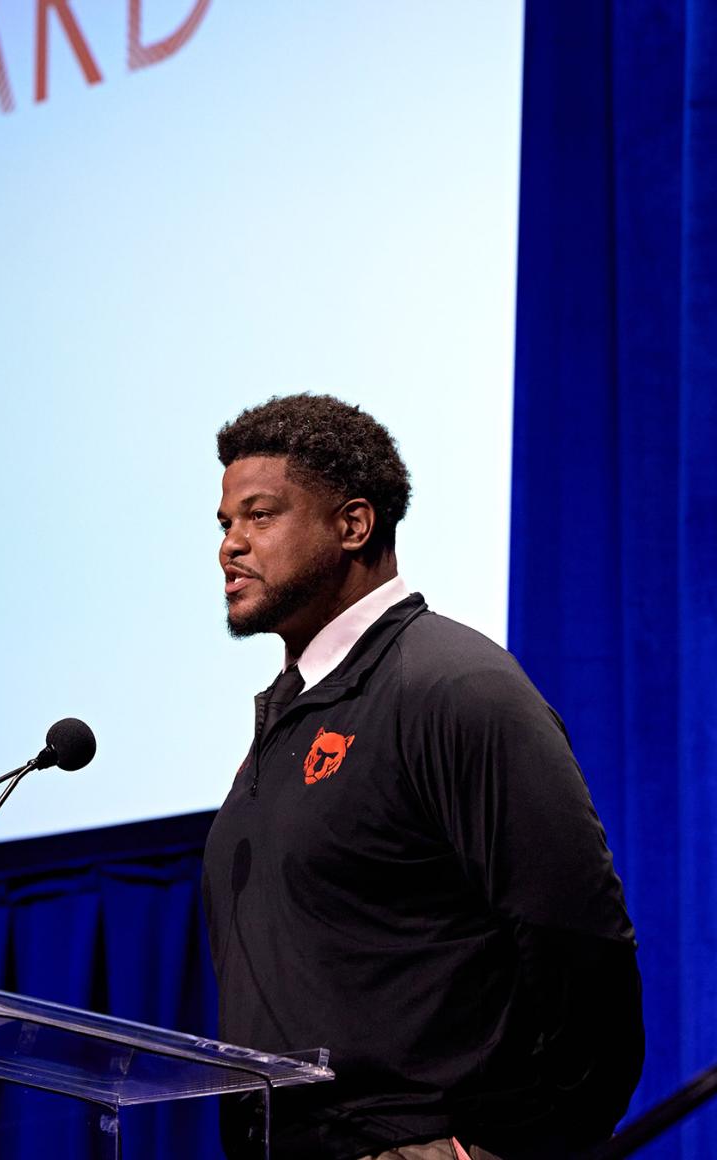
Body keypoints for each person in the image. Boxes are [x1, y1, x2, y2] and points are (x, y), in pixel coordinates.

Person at [202, 394, 643, 1160]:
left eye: (259, 516)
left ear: (353, 525)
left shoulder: (452, 687)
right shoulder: (291, 711)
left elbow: (582, 944)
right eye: (224, 525)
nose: (230, 547)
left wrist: (518, 1147)